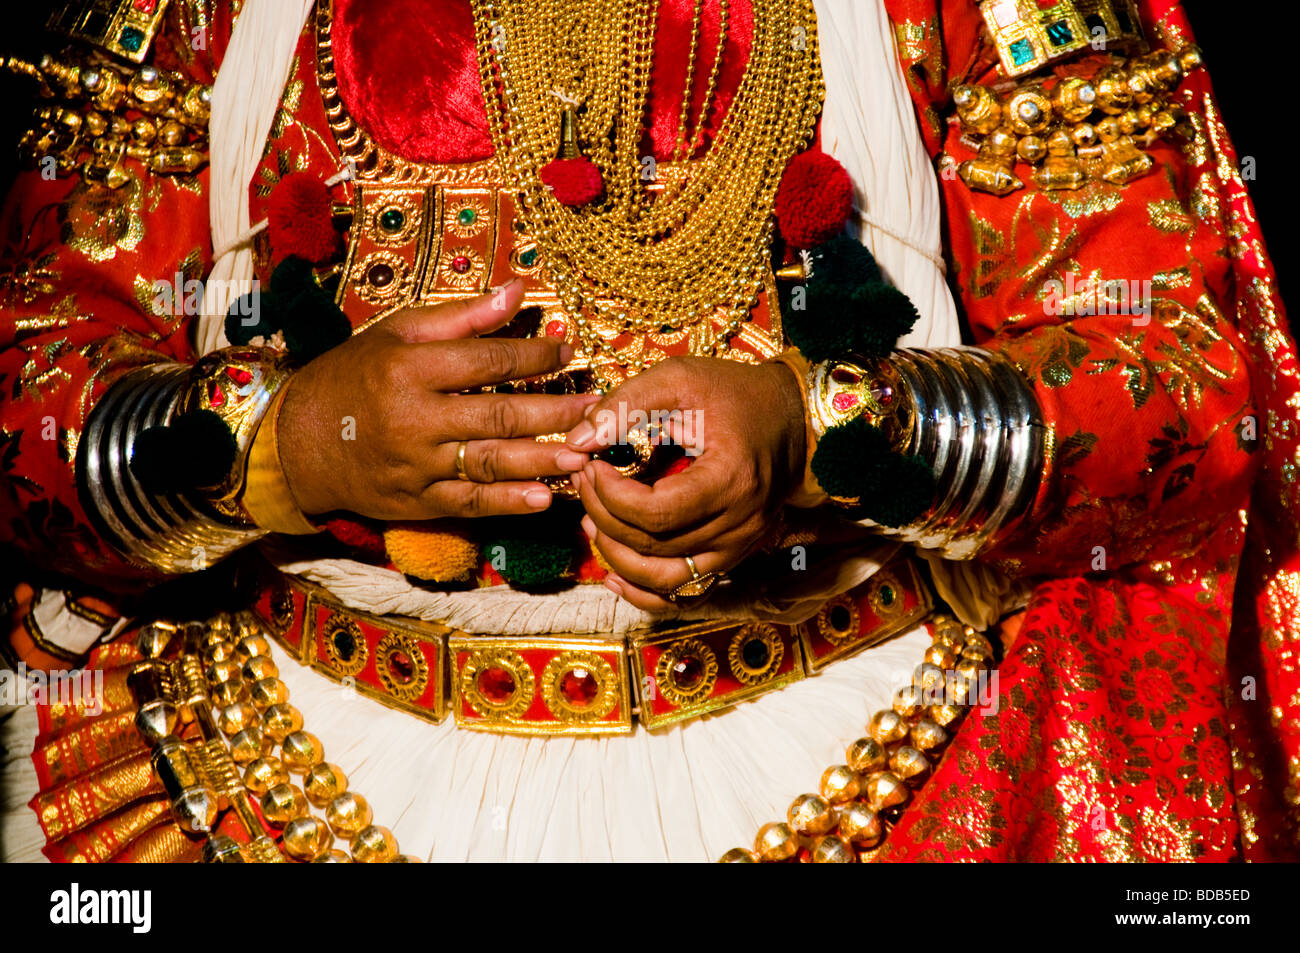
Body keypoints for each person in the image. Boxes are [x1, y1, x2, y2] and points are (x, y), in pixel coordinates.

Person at [0, 0, 1294, 863]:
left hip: (890, 763)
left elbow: (1176, 375)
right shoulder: (196, 13)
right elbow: (34, 369)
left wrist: (824, 428)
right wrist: (282, 446)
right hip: (265, 757)